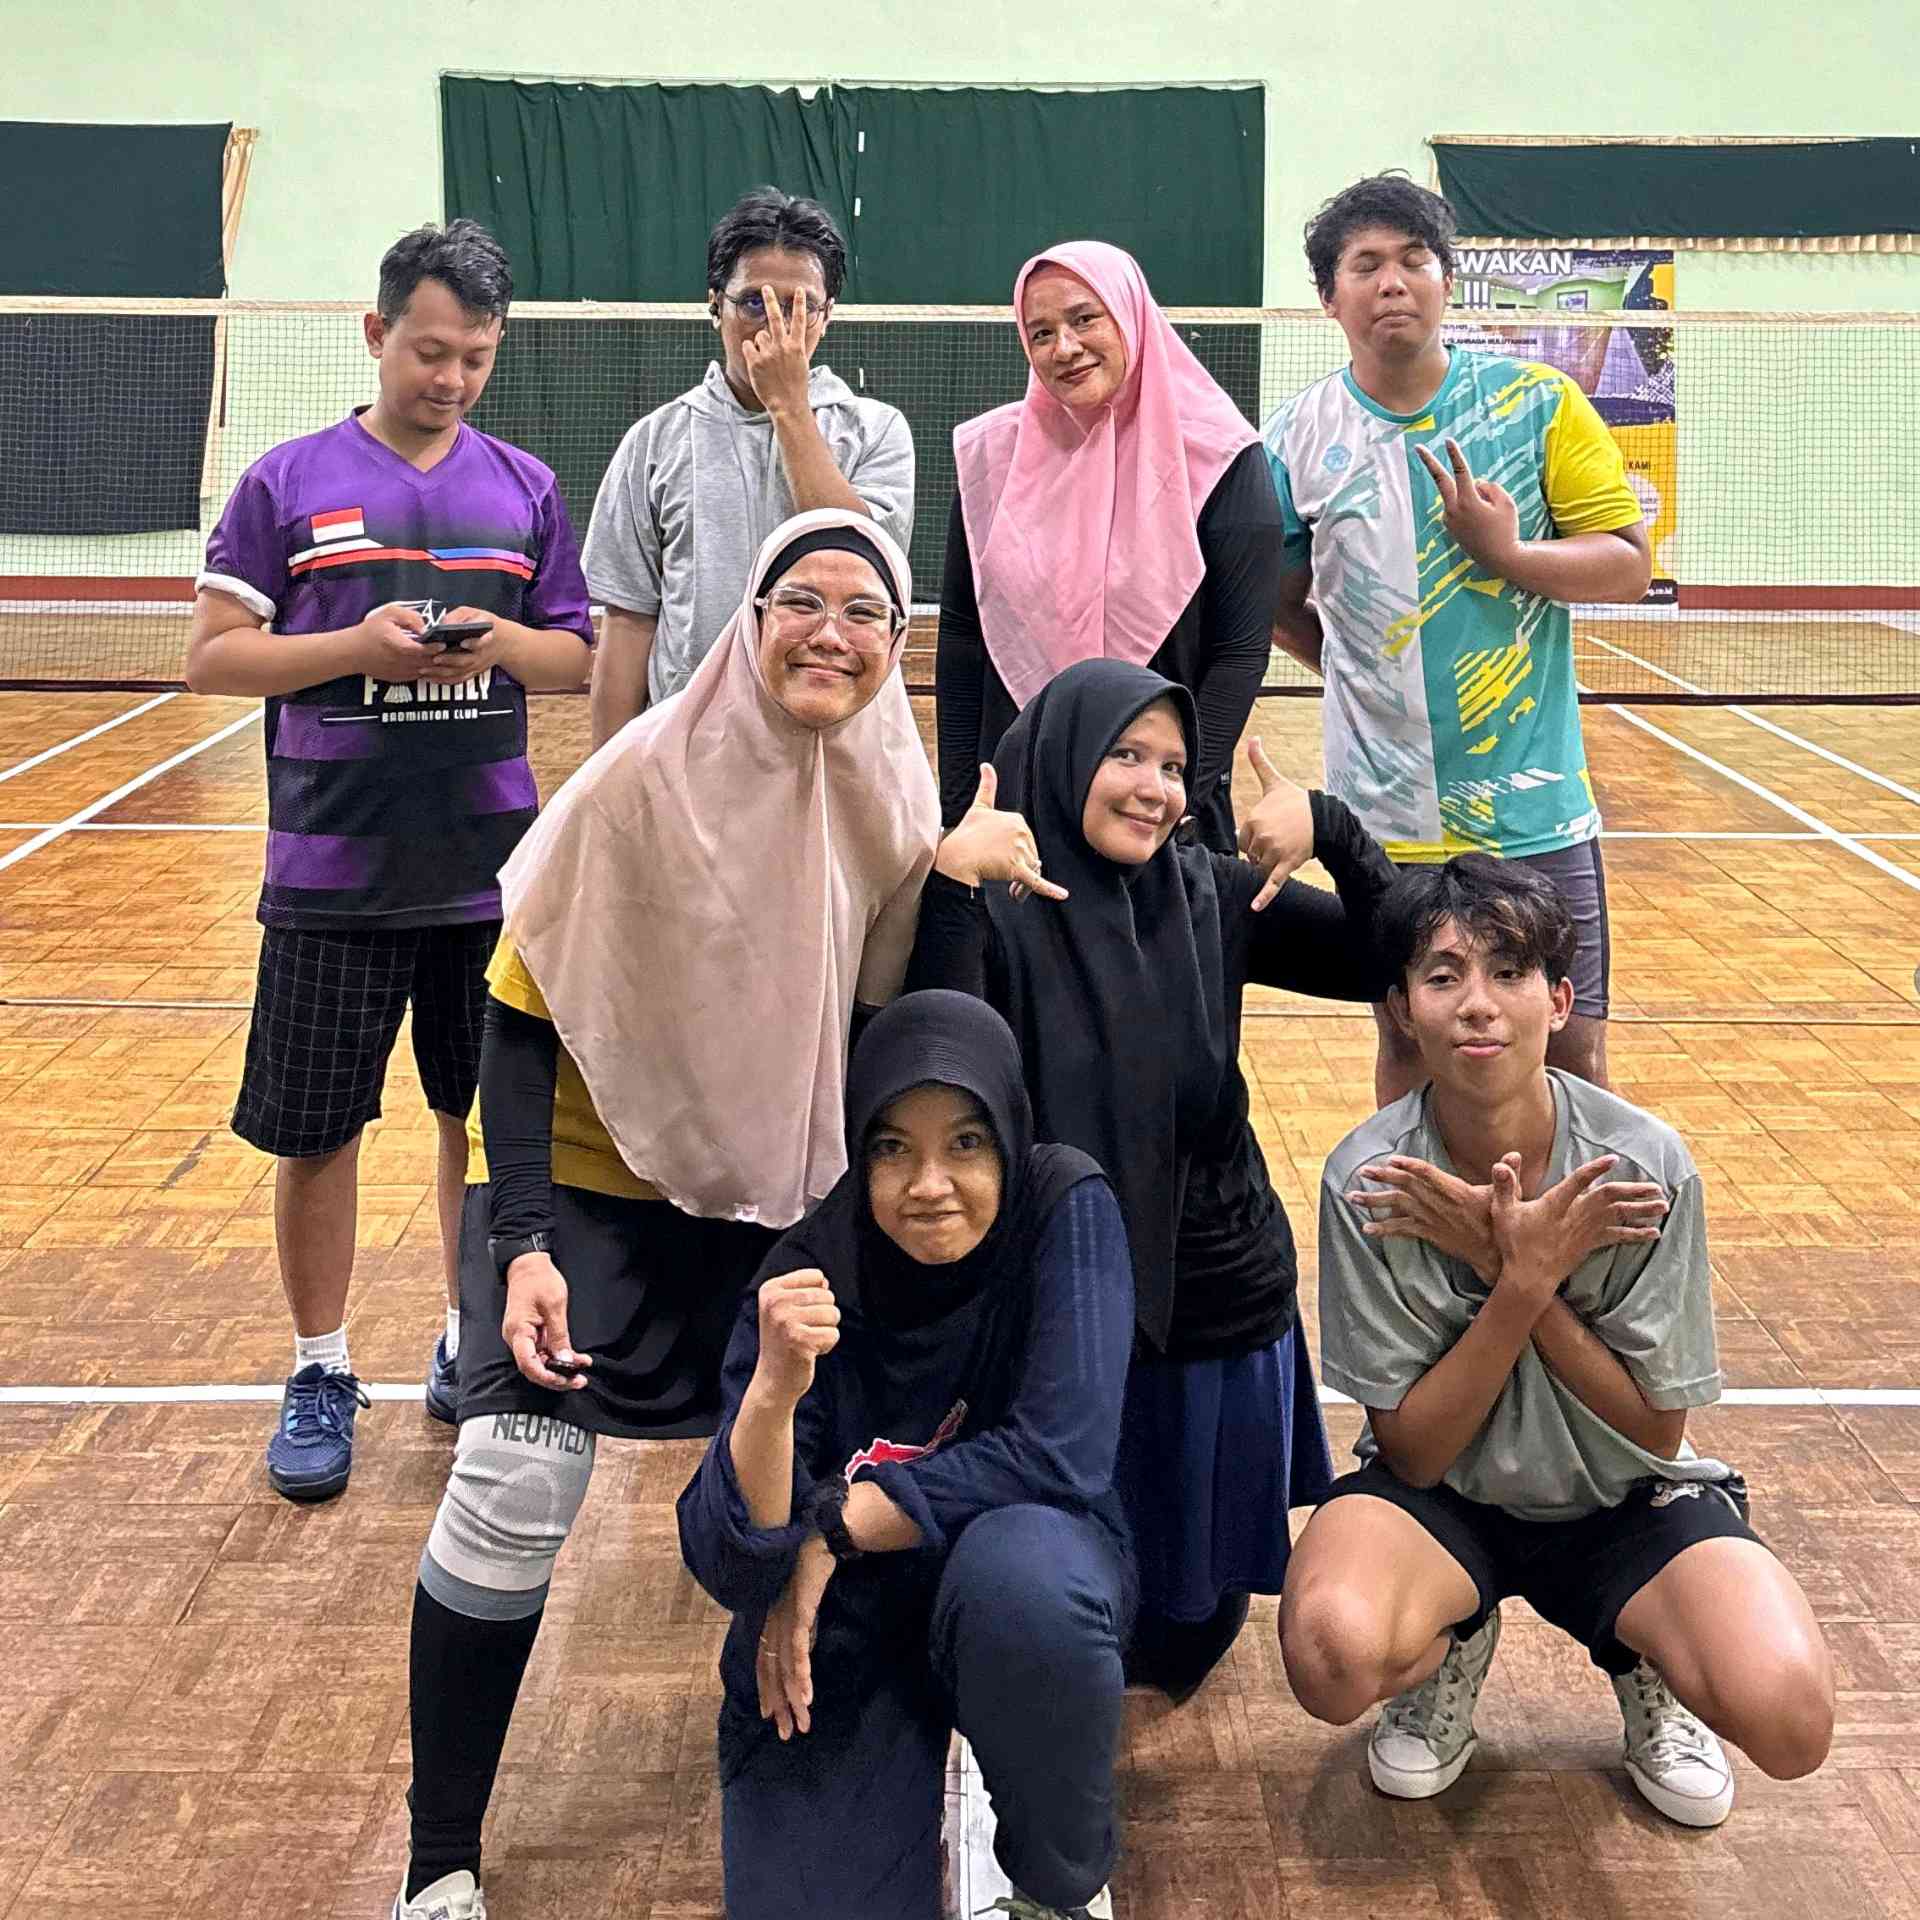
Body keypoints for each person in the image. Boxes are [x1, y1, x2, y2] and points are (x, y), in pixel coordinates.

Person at [391, 509, 942, 1920]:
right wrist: (518, 1244)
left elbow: (878, 1028)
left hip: (778, 1197)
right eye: (801, 601)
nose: (831, 634)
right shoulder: (635, 783)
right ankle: (438, 1854)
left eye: (865, 612)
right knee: (514, 1483)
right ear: (749, 622)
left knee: (831, 1479)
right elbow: (515, 1024)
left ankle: (812, 1763)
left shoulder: (897, 802)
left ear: (896, 644)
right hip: (585, 1187)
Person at [1282, 854, 1834, 1827]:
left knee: (1792, 1719)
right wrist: (1522, 1282)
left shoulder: (1642, 1167)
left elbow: (1656, 1431)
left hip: (1625, 1498)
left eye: (1510, 972)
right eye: (1444, 976)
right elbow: (1414, 1452)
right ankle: (1453, 1640)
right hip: (1444, 1499)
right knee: (1331, 1655)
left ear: (1560, 999)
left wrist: (1514, 1271)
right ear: (1403, 1010)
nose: (1479, 1003)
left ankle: (1645, 1657)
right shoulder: (1371, 1180)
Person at [183, 220, 595, 1503]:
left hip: (488, 881)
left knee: (482, 1128)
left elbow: (573, 656)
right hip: (329, 882)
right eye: (430, 351)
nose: (452, 378)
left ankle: (470, 1337)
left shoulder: (525, 487)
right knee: (317, 1135)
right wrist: (353, 647)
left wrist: (497, 643)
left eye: (475, 357)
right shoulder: (285, 484)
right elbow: (213, 658)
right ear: (376, 335)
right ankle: (320, 1366)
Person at [908, 658, 1397, 1699]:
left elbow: (1385, 958)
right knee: (1050, 1606)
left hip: (1218, 1296)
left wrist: (1334, 829)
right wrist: (952, 888)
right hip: (1059, 1296)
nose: (1154, 788)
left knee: (1186, 1630)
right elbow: (940, 1069)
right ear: (1063, 756)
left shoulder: (1211, 891)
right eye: (1126, 755)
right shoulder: (999, 903)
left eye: (1174, 767)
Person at [679, 990, 1135, 1920]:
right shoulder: (810, 1269)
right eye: (893, 1149)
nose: (930, 1184)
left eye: (965, 1143)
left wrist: (831, 1527)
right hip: (854, 1619)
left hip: (1023, 1574)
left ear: (1010, 1135)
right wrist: (770, 1398)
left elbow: (1063, 1454)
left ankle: (1054, 1888)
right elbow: (730, 1559)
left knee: (1027, 1589)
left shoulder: (1062, 1204)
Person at [1262, 174, 1653, 1103]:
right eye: (1365, 264)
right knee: (1411, 1050)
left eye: (1414, 259)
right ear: (1330, 297)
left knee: (1571, 1057)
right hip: (1384, 818)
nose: (1392, 281)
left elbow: (1627, 564)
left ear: (1447, 279)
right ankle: (1418, 1207)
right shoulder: (1293, 438)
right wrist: (1360, 669)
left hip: (1533, 811)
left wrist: (1506, 553)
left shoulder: (1540, 402)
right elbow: (1279, 598)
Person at [937, 241, 1281, 854]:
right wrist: (961, 806)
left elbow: (1238, 652)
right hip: (1018, 811)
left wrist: (1174, 798)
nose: (1064, 348)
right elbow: (964, 637)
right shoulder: (990, 458)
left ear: (1129, 314)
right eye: (1040, 333)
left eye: (1084, 318)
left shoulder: (1223, 459)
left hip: (1161, 823)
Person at [583, 186, 915, 747]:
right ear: (716, 305)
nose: (775, 326)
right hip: (693, 744)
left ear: (828, 316)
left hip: (833, 744)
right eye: (753, 303)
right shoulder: (655, 442)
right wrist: (611, 772)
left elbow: (852, 555)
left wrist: (788, 406)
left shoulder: (877, 432)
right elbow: (630, 623)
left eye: (799, 306)